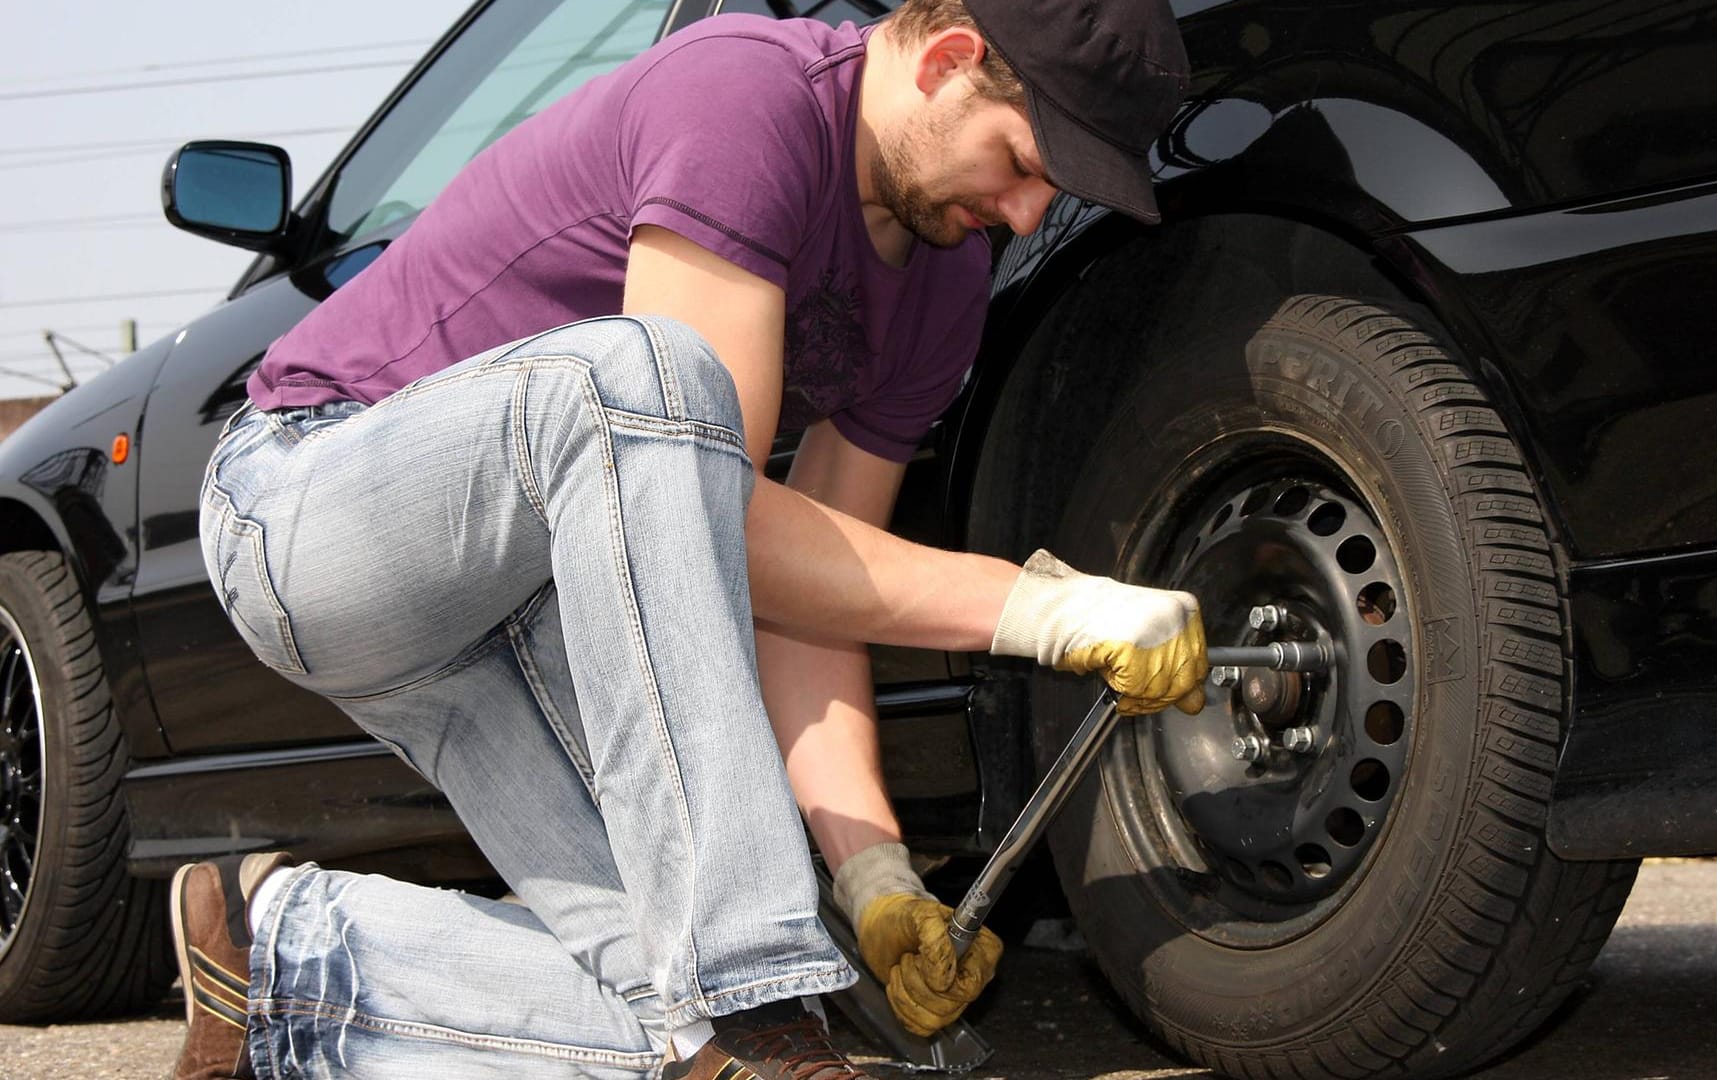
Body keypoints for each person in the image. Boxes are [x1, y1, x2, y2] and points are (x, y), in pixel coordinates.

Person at [173, 1, 1201, 1077]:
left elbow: (810, 586)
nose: (1031, 214)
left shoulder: (942, 277)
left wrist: (876, 877)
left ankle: (277, 954)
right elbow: (702, 487)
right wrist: (1042, 608)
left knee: (681, 1010)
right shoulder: (746, 95)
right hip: (314, 503)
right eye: (1027, 161)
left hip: (526, 607)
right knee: (652, 379)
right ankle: (762, 1001)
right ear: (948, 62)